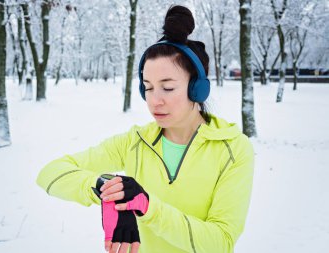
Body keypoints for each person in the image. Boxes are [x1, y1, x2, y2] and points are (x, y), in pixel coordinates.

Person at [36, 5, 254, 253]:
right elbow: (50, 173)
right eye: (148, 88)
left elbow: (221, 242)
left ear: (197, 89)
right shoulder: (134, 142)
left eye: (168, 88)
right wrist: (106, 188)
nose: (154, 100)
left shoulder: (234, 150)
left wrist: (148, 207)